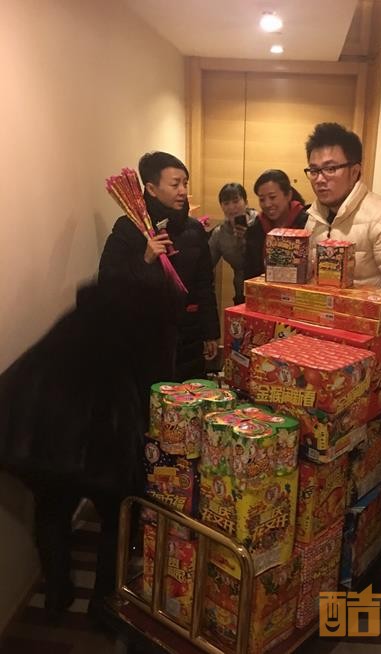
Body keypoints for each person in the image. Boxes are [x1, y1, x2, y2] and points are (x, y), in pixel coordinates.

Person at [0, 280, 177, 623]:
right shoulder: (145, 328)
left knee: (52, 508)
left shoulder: (77, 320)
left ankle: (56, 594)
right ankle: (103, 604)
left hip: (36, 435)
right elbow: (156, 387)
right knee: (119, 515)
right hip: (99, 439)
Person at [99, 151, 220, 380]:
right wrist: (145, 260)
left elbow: (204, 284)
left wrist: (210, 332)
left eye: (185, 183)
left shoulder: (194, 229)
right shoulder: (128, 229)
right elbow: (108, 281)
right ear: (152, 189)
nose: (182, 191)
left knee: (189, 396)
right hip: (144, 338)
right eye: (175, 184)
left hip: (188, 336)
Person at [304, 122, 381, 325]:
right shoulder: (314, 217)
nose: (319, 179)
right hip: (322, 329)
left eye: (330, 169)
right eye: (314, 170)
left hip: (365, 333)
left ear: (354, 172)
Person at [244, 169, 309, 280]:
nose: (267, 204)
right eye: (262, 199)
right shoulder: (255, 228)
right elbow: (250, 271)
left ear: (288, 195)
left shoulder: (306, 223)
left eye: (272, 197)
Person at [208, 183, 258, 305]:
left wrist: (248, 238)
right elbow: (206, 265)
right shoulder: (220, 233)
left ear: (246, 202)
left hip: (265, 291)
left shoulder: (260, 224)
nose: (231, 207)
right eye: (226, 203)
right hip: (241, 292)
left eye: (236, 201)